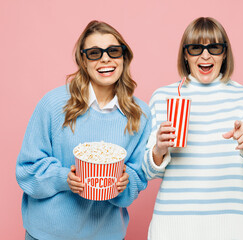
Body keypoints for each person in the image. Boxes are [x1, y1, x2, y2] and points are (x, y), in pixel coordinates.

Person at [16, 20, 151, 240]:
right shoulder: (53, 104)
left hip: (107, 234)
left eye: (113, 51)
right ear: (83, 60)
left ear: (124, 58)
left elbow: (137, 177)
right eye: (95, 53)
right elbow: (27, 169)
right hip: (48, 234)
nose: (105, 58)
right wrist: (64, 178)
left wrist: (125, 183)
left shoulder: (139, 114)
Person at [142, 17, 243, 240]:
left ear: (225, 53)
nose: (205, 55)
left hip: (234, 225)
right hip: (173, 224)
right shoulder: (163, 97)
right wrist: (159, 149)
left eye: (214, 47)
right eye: (196, 48)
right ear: (185, 54)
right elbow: (147, 170)